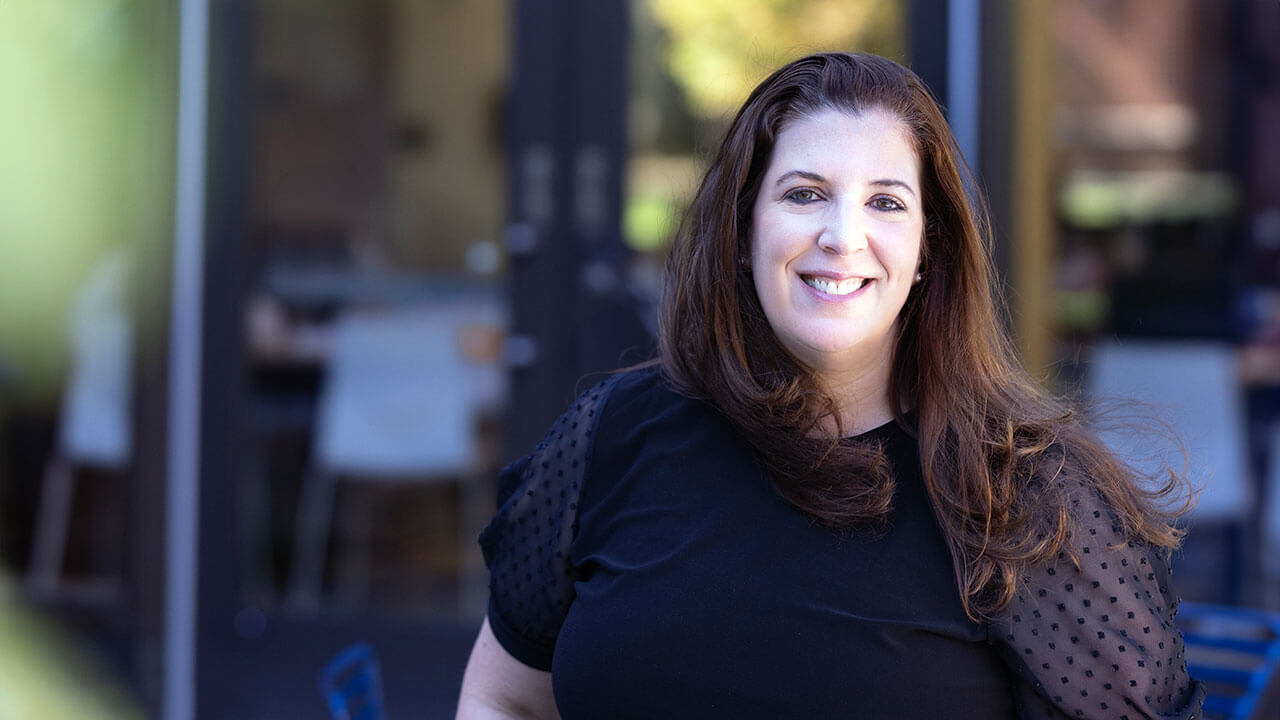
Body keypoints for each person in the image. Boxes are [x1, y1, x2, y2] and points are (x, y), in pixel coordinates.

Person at [457, 52, 1205, 719]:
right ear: (745, 233)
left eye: (885, 202)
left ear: (924, 253)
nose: (843, 236)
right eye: (805, 194)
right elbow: (505, 697)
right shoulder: (609, 437)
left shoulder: (1025, 495)